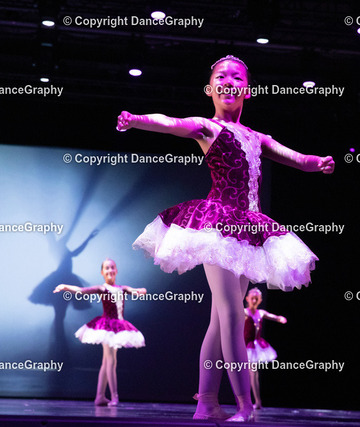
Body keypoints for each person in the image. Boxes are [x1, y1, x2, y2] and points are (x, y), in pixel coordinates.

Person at [117, 55, 334, 421]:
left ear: (247, 89)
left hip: (248, 230)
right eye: (221, 76)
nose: (228, 81)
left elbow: (294, 157)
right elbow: (171, 123)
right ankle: (245, 405)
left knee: (219, 323)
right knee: (232, 315)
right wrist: (136, 120)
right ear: (210, 88)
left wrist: (317, 162)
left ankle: (206, 402)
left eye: (237, 77)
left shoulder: (257, 137)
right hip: (217, 227)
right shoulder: (207, 127)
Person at [54, 259, 146, 406]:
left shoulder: (122, 288)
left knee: (106, 362)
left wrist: (141, 291)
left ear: (116, 270)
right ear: (102, 272)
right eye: (107, 268)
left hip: (119, 325)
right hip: (106, 327)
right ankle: (114, 396)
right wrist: (65, 287)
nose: (110, 270)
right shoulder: (102, 289)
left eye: (112, 267)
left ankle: (100, 396)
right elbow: (82, 291)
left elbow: (136, 291)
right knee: (111, 361)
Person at [244, 287, 286, 409]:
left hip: (256, 346)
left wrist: (279, 318)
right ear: (247, 299)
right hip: (246, 345)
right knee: (250, 373)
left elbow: (272, 316)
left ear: (260, 300)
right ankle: (250, 401)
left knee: (254, 373)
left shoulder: (261, 313)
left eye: (256, 298)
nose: (254, 300)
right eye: (252, 298)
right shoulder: (245, 312)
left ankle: (257, 402)